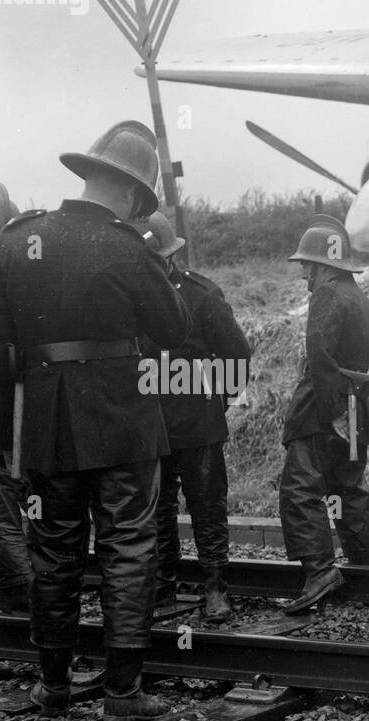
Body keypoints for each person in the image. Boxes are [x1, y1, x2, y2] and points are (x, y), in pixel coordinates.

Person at [0, 121, 190, 721]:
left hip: (46, 423)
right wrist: (160, 255)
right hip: (123, 419)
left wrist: (10, 437)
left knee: (53, 548)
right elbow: (175, 330)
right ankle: (122, 697)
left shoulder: (19, 240)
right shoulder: (129, 246)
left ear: (88, 174)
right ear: (131, 195)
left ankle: (53, 689)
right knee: (129, 543)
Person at [137, 211, 249, 623]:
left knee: (206, 504)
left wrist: (217, 399)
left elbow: (238, 353)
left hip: (198, 417)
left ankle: (216, 587)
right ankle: (163, 585)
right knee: (157, 507)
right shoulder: (132, 298)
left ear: (170, 258)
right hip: (151, 420)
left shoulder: (201, 294)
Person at [279, 215, 369, 612]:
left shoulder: (326, 295)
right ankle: (359, 569)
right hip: (357, 408)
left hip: (323, 411)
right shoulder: (362, 299)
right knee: (349, 489)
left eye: (307, 263)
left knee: (300, 490)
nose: (303, 271)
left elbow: (319, 355)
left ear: (325, 265)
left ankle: (320, 573)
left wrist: (331, 412)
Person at [0, 181, 29, 616]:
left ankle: (23, 596)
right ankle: (15, 598)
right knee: (4, 511)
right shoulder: (7, 283)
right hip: (5, 424)